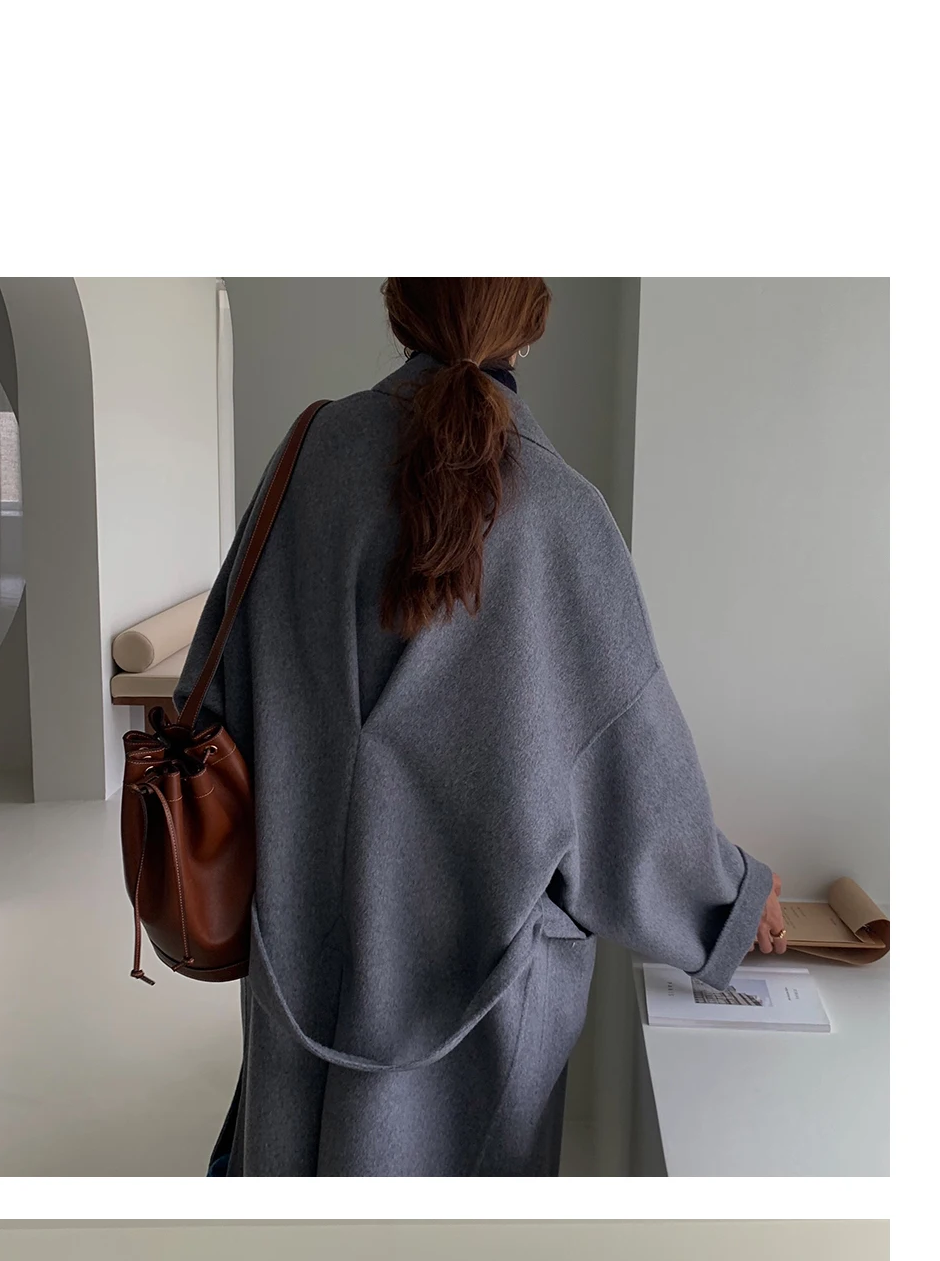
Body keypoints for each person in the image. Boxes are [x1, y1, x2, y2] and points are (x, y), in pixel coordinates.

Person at [177, 278, 786, 1180]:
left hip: (298, 956)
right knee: (460, 1248)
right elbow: (627, 786)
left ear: (401, 310)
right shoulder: (564, 517)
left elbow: (210, 699)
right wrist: (731, 899)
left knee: (297, 1227)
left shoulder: (306, 462)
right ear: (528, 328)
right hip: (480, 1016)